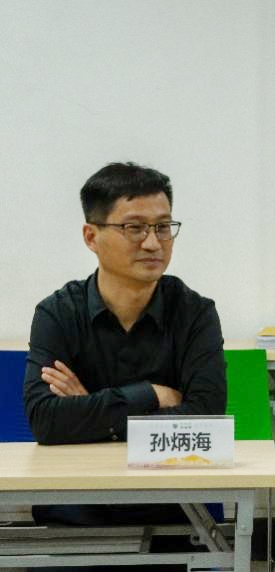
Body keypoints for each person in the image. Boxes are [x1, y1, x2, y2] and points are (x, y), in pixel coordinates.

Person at [23, 162, 226, 571]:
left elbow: (205, 421)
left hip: (174, 513)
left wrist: (93, 410)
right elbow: (46, 420)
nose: (153, 243)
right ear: (91, 236)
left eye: (163, 227)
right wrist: (150, 395)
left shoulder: (195, 314)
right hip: (75, 514)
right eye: (134, 228)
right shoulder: (58, 313)